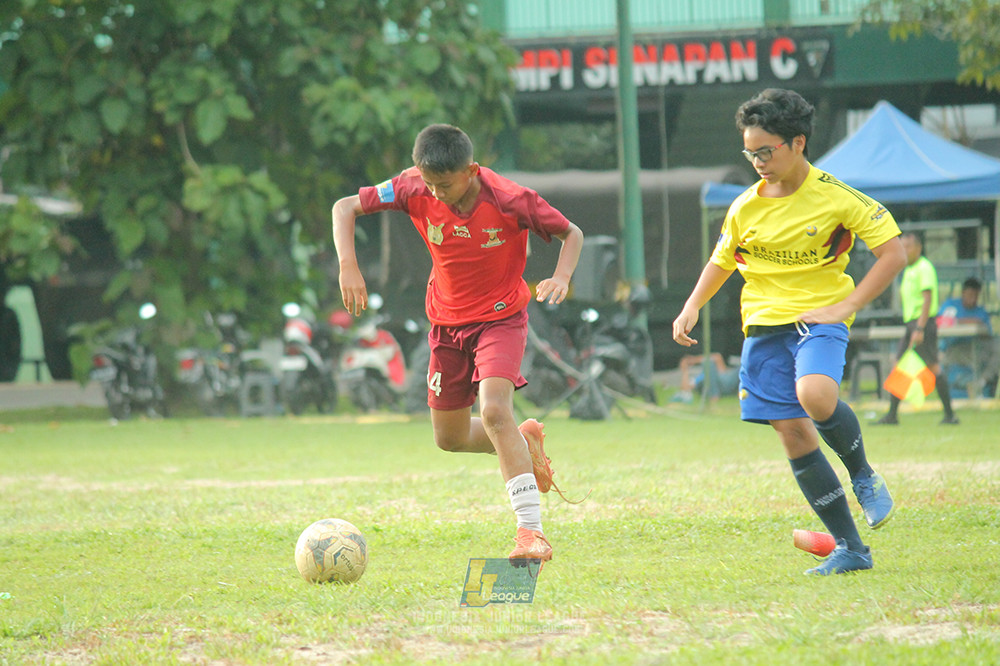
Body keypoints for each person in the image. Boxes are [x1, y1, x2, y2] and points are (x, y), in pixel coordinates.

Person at [672, 88, 907, 576]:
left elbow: (893, 253)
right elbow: (722, 260)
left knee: (815, 395)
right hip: (763, 327)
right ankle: (851, 548)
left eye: (766, 151)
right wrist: (692, 305)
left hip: (818, 319)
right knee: (795, 435)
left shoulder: (836, 196)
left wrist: (848, 305)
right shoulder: (744, 207)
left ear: (798, 142)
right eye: (750, 153)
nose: (758, 162)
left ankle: (863, 475)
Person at [331, 124, 584, 563]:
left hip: (500, 319)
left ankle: (531, 533)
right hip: (446, 326)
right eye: (429, 183)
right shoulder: (413, 186)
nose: (436, 193)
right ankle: (523, 445)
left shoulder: (510, 198)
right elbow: (344, 207)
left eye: (445, 185)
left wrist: (561, 276)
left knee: (494, 411)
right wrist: (347, 265)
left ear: (471, 171)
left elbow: (571, 233)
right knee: (449, 438)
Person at [874, 232, 959, 425]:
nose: (904, 250)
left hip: (922, 324)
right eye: (902, 246)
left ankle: (950, 415)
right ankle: (892, 415)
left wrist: (919, 329)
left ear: (918, 248)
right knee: (899, 365)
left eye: (908, 246)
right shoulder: (909, 269)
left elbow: (927, 299)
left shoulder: (924, 267)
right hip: (912, 324)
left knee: (933, 366)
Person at [938, 277, 997, 398]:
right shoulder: (951, 305)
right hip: (954, 349)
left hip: (976, 349)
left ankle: (981, 383)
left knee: (997, 350)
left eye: (976, 296)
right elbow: (940, 322)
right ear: (963, 293)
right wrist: (967, 322)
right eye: (970, 295)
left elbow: (988, 335)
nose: (973, 299)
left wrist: (980, 326)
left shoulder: (981, 311)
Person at [671, 353, 740, 403]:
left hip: (724, 379)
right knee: (707, 363)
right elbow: (686, 389)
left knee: (742, 367)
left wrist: (694, 360)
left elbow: (718, 357)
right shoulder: (694, 379)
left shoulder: (711, 369)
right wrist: (685, 370)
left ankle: (742, 393)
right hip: (716, 386)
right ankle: (714, 396)